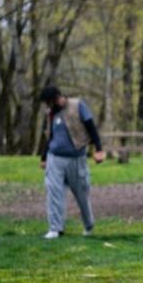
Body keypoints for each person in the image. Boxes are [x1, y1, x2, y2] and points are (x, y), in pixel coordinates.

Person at [38, 86, 105, 239]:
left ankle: (88, 225)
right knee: (53, 191)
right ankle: (55, 228)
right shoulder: (51, 114)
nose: (48, 106)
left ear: (57, 98)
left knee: (81, 193)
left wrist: (99, 149)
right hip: (55, 158)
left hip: (76, 158)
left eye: (50, 102)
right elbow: (51, 136)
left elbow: (91, 128)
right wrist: (44, 156)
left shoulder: (78, 105)